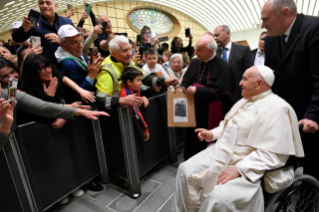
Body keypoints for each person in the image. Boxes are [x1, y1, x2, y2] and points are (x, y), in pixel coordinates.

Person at [175, 66, 304, 212]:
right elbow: (227, 125)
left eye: (245, 79)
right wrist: (212, 134)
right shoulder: (244, 100)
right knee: (184, 170)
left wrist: (239, 169)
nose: (240, 83)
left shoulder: (278, 108)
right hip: (223, 150)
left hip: (249, 162)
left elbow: (273, 153)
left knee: (219, 198)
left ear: (259, 84)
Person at [261, 0, 319, 180]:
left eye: (266, 19)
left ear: (284, 13)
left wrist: (313, 115)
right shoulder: (271, 39)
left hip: (311, 113)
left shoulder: (314, 28)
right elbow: (272, 78)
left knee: (312, 165)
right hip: (286, 114)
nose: (262, 25)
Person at [180, 35, 236, 160]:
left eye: (199, 49)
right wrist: (182, 88)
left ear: (210, 51)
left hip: (210, 109)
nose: (195, 52)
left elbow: (221, 93)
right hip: (192, 106)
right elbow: (186, 80)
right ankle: (189, 158)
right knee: (191, 136)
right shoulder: (194, 62)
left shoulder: (223, 66)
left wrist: (198, 90)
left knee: (206, 136)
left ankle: (205, 162)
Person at [95, 35, 177, 110]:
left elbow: (145, 78)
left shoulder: (128, 62)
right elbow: (99, 101)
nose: (130, 53)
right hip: (115, 116)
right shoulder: (106, 71)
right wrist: (121, 100)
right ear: (114, 53)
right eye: (125, 51)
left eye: (130, 49)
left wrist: (165, 82)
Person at [55, 24, 102, 103]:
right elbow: (79, 96)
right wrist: (91, 75)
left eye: (80, 41)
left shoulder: (72, 51)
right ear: (63, 45)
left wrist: (93, 64)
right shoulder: (69, 65)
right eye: (74, 43)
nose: (80, 46)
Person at [214, 25, 252, 105]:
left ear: (227, 34)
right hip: (219, 97)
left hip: (238, 96)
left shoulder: (243, 50)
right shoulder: (214, 53)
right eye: (214, 36)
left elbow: (249, 73)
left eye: (217, 35)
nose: (215, 38)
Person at [120, 67, 149, 141]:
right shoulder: (127, 94)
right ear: (129, 82)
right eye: (138, 80)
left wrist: (142, 98)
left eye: (141, 80)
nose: (141, 83)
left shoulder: (135, 90)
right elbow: (136, 113)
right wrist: (145, 129)